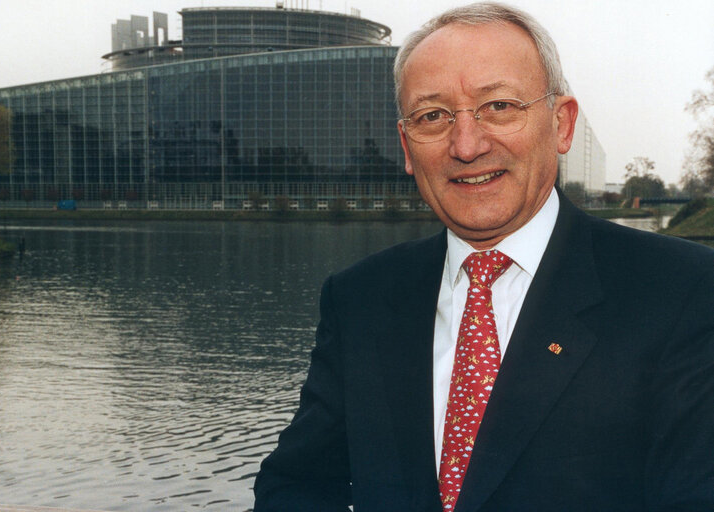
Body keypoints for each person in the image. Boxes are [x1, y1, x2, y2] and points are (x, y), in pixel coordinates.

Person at [253, 3, 714, 511]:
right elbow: (296, 487)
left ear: (561, 124)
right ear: (407, 148)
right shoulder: (360, 298)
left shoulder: (683, 292)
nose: (467, 145)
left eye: (499, 107)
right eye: (433, 116)